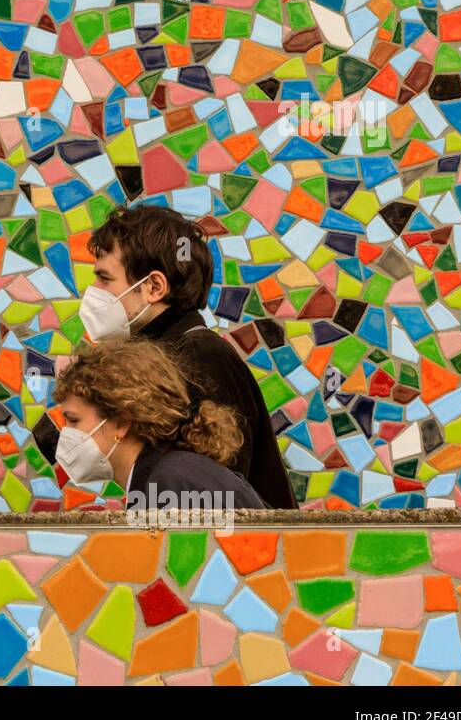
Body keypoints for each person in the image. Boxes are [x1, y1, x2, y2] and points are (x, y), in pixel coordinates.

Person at [78, 204, 298, 509]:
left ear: (153, 287)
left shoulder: (200, 359)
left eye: (104, 278)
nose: (93, 290)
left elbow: (214, 496)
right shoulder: (165, 356)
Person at [53, 337, 265, 510]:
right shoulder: (171, 473)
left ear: (121, 423)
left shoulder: (170, 483)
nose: (67, 433)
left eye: (73, 420)